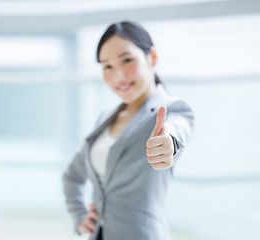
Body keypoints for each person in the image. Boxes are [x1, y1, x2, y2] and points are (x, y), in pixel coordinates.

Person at [62, 21, 194, 240]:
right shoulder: (105, 119)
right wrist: (80, 215)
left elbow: (177, 127)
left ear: (152, 58)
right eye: (108, 66)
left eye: (127, 60)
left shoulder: (171, 109)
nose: (118, 75)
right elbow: (71, 176)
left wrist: (169, 143)